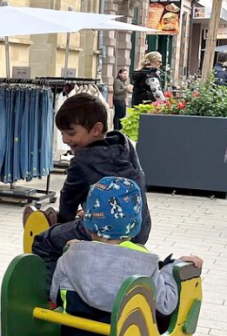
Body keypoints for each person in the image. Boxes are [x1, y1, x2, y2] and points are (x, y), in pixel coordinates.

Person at [50, 177, 203, 336]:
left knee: (94, 330)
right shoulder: (145, 262)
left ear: (88, 222)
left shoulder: (71, 255)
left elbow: (56, 296)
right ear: (134, 225)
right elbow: (166, 304)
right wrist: (171, 270)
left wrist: (72, 251)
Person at [31, 94, 151, 282]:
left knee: (43, 241)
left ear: (96, 129)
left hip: (103, 230)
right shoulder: (125, 146)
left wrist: (63, 221)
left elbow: (68, 198)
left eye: (71, 133)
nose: (64, 139)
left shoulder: (82, 161)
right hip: (138, 228)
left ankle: (52, 292)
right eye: (62, 132)